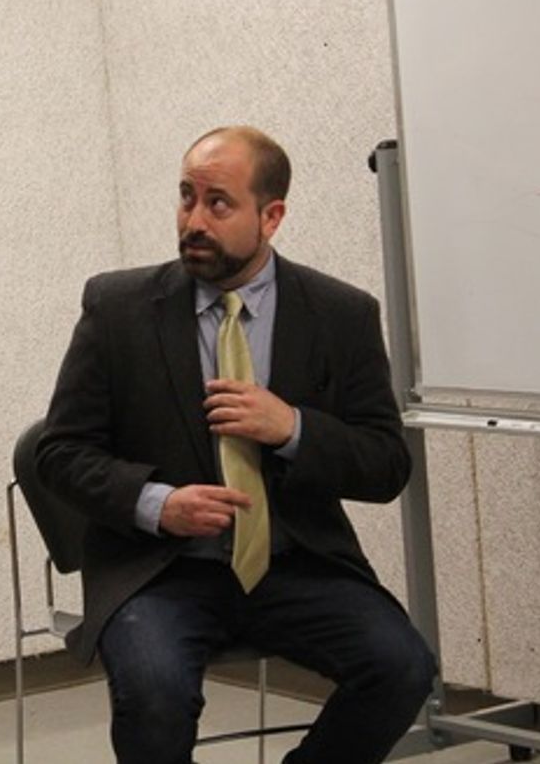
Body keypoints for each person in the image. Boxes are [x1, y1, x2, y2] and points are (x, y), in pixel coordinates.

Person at [35, 126, 436, 764]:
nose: (194, 219)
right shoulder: (119, 308)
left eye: (217, 203)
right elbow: (58, 452)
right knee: (155, 692)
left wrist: (294, 428)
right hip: (162, 571)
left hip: (295, 563)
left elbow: (386, 465)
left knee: (403, 666)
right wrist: (157, 502)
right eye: (186, 197)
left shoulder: (341, 314)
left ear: (270, 216)